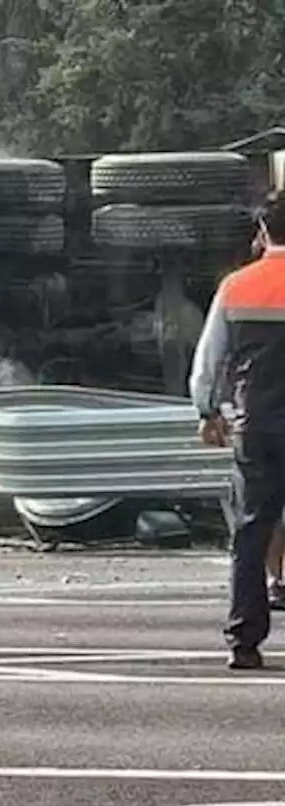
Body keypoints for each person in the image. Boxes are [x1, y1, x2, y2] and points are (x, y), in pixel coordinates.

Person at [191, 190, 285, 669]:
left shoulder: (238, 286)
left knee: (250, 531)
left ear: (265, 231)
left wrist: (208, 411)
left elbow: (208, 361)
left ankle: (244, 641)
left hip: (258, 425)